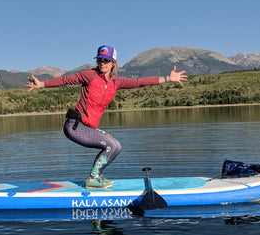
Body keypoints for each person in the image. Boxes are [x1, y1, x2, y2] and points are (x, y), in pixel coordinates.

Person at [26, 45, 188, 188]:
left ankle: (96, 176)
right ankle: (92, 178)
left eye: (105, 60)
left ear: (113, 63)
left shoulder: (116, 82)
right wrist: (41, 84)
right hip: (75, 125)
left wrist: (168, 78)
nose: (102, 63)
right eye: (99, 60)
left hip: (88, 127)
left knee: (116, 145)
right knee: (111, 146)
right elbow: (66, 80)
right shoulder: (89, 75)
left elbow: (140, 82)